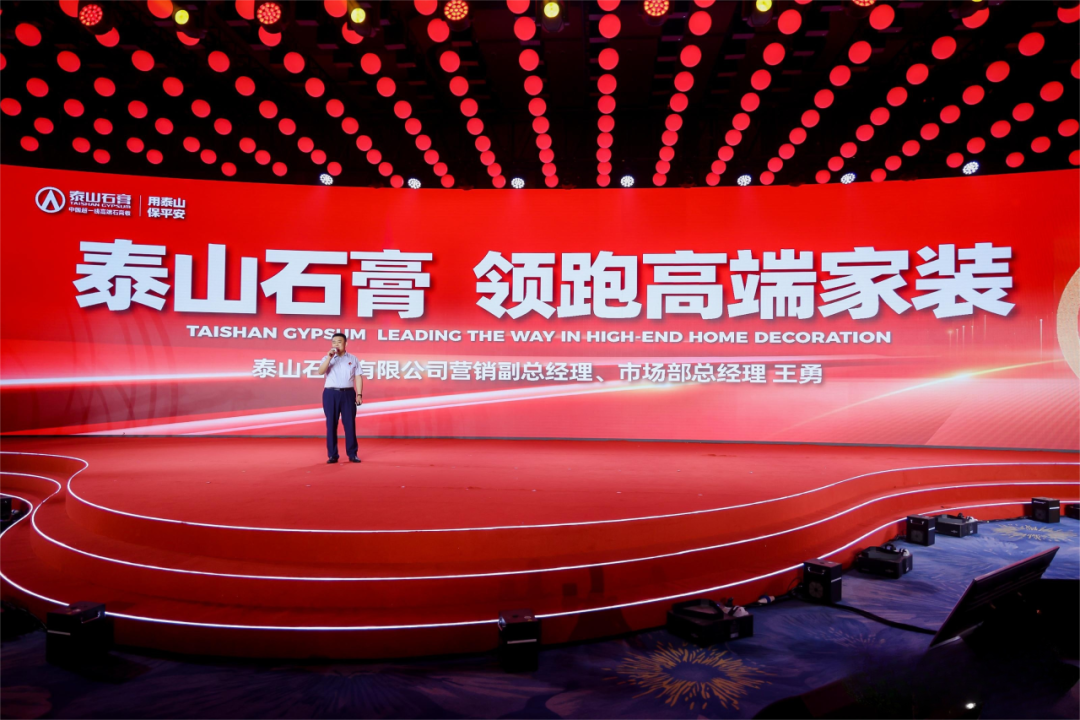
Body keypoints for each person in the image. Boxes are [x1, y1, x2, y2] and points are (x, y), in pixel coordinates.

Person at [318, 332, 363, 464]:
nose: (336, 344)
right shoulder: (327, 358)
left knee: (350, 424)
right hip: (330, 394)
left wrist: (359, 394)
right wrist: (329, 358)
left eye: (339, 342)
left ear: (345, 343)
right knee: (331, 424)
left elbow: (358, 377)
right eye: (334, 342)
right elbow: (320, 371)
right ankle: (333, 455)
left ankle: (352, 454)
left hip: (348, 394)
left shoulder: (353, 359)